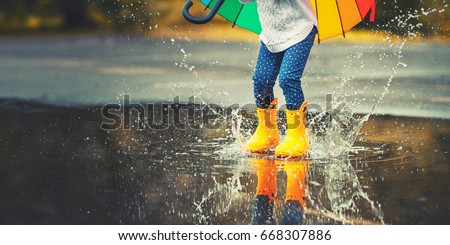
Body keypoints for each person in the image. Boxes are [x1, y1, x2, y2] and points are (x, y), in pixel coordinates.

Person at [240, 0, 317, 158]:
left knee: (288, 79)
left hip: (299, 28)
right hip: (272, 34)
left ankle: (297, 135)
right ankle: (267, 132)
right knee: (262, 81)